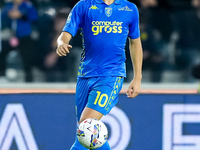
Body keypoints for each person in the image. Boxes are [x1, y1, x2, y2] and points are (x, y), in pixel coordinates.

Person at [56, 0, 143, 149]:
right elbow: (66, 33)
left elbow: (135, 43)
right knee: (86, 134)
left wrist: (138, 77)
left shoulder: (129, 9)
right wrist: (61, 43)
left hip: (111, 75)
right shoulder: (84, 5)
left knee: (86, 126)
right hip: (85, 75)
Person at [0, 0, 38, 82]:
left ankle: (29, 79)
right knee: (2, 53)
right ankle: (2, 76)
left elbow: (34, 17)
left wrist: (21, 15)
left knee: (27, 57)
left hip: (24, 36)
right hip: (10, 36)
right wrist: (8, 15)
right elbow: (2, 18)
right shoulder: (8, 5)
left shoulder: (27, 5)